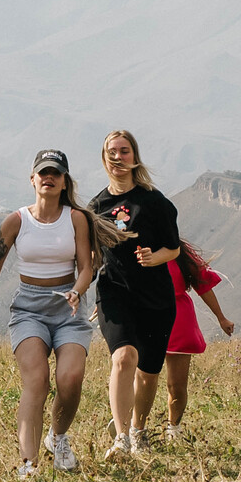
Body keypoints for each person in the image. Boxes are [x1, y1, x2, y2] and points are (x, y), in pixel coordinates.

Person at [0, 150, 98, 477]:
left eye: (55, 174)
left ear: (64, 182)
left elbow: (87, 266)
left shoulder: (75, 219)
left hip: (68, 306)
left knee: (70, 378)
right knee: (37, 381)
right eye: (43, 173)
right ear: (32, 179)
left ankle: (58, 438)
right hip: (29, 308)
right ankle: (28, 464)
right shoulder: (16, 221)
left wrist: (77, 290)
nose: (49, 178)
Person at [90, 129, 182, 460]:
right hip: (115, 293)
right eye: (111, 152)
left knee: (148, 372)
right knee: (123, 357)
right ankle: (121, 438)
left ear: (134, 157)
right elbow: (92, 255)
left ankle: (139, 430)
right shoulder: (96, 207)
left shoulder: (155, 202)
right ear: (104, 159)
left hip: (155, 298)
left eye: (124, 151)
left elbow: (173, 249)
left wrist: (154, 257)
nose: (118, 157)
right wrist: (85, 291)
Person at [158, 242, 234, 441]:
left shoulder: (178, 252)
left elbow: (203, 284)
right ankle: (133, 425)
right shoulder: (132, 246)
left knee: (176, 384)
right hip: (145, 316)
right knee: (139, 376)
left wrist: (221, 317)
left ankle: (174, 428)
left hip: (178, 319)